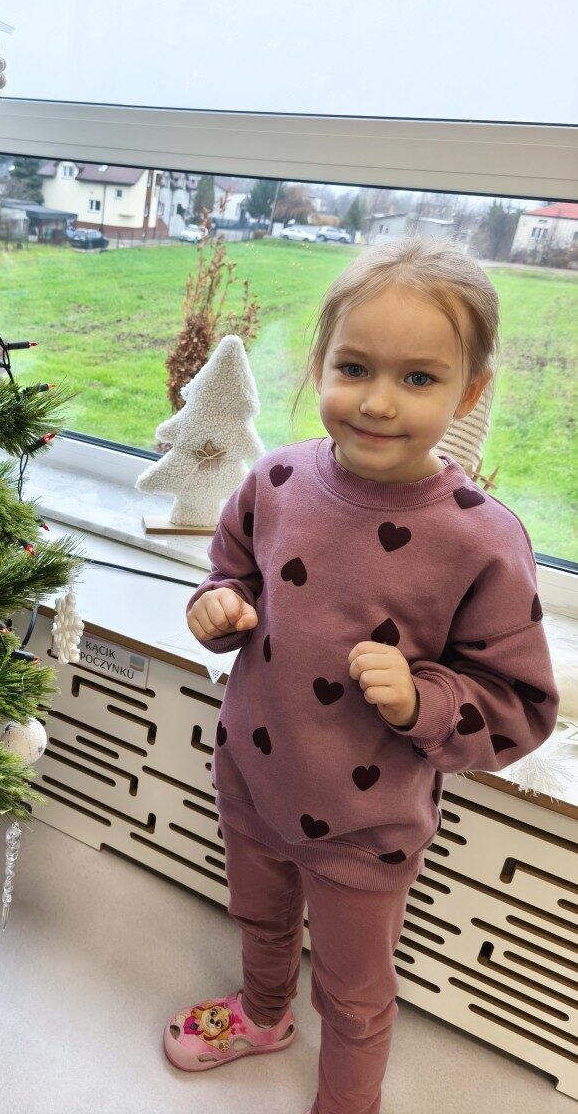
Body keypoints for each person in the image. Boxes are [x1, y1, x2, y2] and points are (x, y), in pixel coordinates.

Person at [162, 237, 560, 1114]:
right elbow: (232, 571)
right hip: (252, 781)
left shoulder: (482, 540)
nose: (378, 402)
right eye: (354, 368)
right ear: (321, 365)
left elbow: (522, 708)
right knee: (259, 919)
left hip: (365, 829)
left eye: (418, 378)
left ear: (470, 392)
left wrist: (424, 698)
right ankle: (263, 1015)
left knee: (353, 989)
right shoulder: (274, 480)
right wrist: (218, 606)